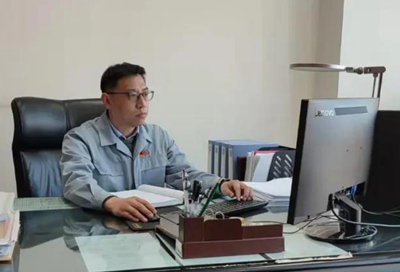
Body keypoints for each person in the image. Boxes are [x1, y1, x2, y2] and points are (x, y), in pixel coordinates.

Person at [60, 62, 254, 222]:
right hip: (101, 229)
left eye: (145, 94)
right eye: (132, 96)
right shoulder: (80, 139)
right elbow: (76, 183)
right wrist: (111, 201)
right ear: (107, 101)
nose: (142, 104)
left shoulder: (158, 136)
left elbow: (185, 174)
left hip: (151, 226)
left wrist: (221, 184)